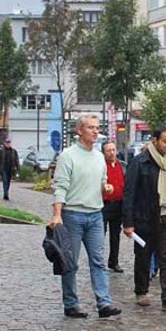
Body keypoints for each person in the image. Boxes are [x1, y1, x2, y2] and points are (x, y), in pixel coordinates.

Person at [50, 115, 121, 319]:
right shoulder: (68, 156)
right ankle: (71, 304)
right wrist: (57, 214)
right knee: (70, 262)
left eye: (97, 128)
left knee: (98, 261)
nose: (95, 131)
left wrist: (106, 188)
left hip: (96, 214)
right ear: (79, 131)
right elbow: (60, 186)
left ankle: (104, 303)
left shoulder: (99, 157)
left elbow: (102, 181)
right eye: (90, 127)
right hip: (73, 214)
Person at [123, 128, 166, 312]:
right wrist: (128, 222)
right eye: (165, 141)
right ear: (155, 140)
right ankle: (141, 291)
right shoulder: (140, 162)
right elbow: (129, 193)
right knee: (143, 257)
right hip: (146, 217)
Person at [102, 141, 126, 273]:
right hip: (104, 205)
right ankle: (99, 262)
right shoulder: (101, 166)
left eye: (113, 150)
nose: (111, 153)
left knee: (115, 235)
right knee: (100, 234)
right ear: (104, 153)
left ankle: (114, 261)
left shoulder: (122, 166)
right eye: (108, 150)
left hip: (118, 204)